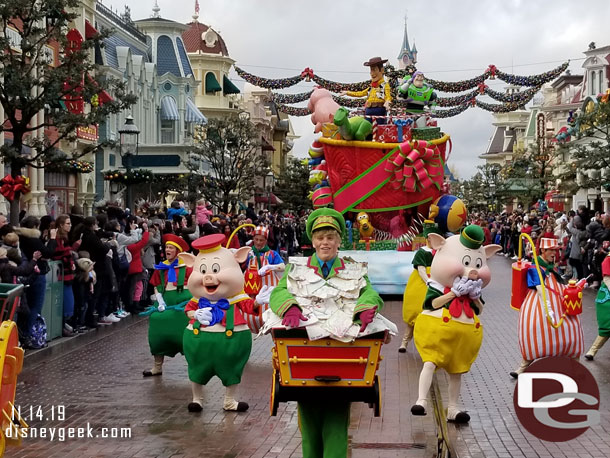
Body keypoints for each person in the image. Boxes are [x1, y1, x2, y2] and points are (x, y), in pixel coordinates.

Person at [268, 208, 388, 458]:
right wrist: (289, 307)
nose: (325, 243)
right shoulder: (296, 269)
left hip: (342, 360)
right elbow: (278, 292)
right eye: (320, 237)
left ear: (338, 241)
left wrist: (365, 308)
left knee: (336, 424)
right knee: (309, 429)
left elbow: (370, 292)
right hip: (304, 361)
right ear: (312, 240)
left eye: (330, 237)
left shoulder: (354, 269)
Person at [510, 238, 584, 377]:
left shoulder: (552, 267)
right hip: (540, 303)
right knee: (536, 330)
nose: (554, 253)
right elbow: (539, 288)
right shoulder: (535, 267)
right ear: (543, 250)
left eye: (556, 250)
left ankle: (576, 366)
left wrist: (573, 288)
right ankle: (523, 366)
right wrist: (547, 307)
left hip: (558, 303)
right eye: (551, 250)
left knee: (571, 328)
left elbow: (558, 283)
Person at [143, 234, 193, 377]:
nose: (167, 250)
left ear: (177, 251)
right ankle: (157, 366)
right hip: (165, 303)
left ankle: (193, 365)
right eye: (166, 247)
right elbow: (157, 286)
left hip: (182, 305)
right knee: (156, 324)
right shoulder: (161, 267)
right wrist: (160, 300)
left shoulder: (187, 267)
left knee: (187, 333)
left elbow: (196, 285)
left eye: (171, 247)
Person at [399, 222, 440, 352]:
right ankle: (404, 343)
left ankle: (426, 346)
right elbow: (421, 269)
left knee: (429, 316)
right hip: (420, 285)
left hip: (434, 283)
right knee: (415, 314)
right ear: (427, 238)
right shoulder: (422, 252)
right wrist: (428, 281)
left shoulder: (439, 252)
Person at [341, 56, 392, 124]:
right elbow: (360, 93)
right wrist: (347, 92)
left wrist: (388, 101)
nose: (372, 73)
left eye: (374, 70)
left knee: (380, 129)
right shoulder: (371, 88)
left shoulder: (385, 85)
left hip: (379, 110)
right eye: (371, 70)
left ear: (381, 70)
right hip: (368, 110)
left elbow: (388, 96)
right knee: (367, 129)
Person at [585, 246, 610, 360]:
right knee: (606, 326)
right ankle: (593, 350)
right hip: (607, 297)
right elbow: (607, 279)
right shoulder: (607, 260)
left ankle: (592, 350)